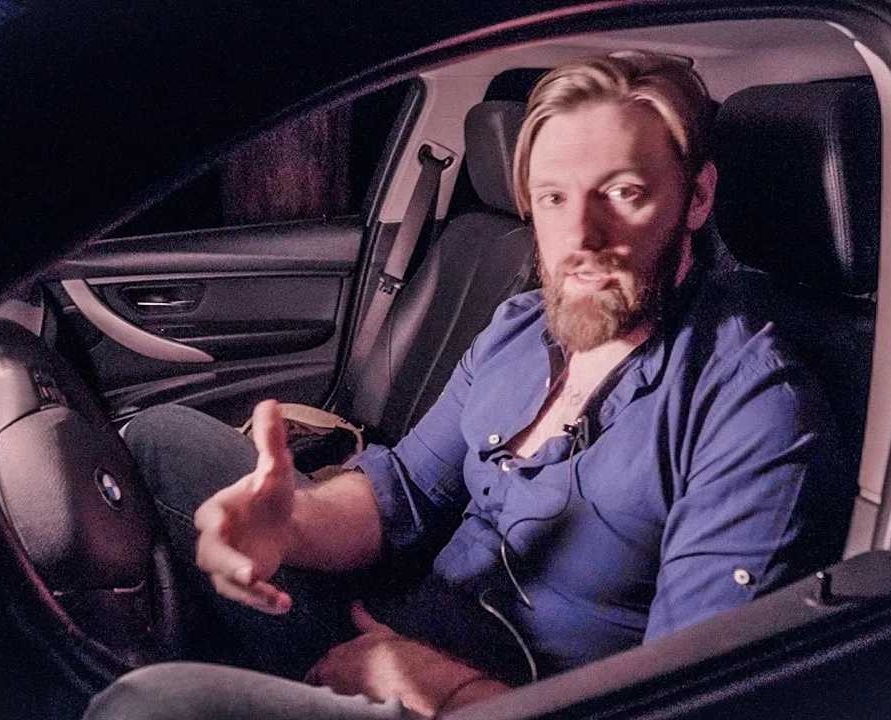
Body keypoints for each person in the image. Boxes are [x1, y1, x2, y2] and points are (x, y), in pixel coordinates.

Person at [83, 51, 844, 720]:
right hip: (393, 633)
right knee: (162, 438)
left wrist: (430, 684)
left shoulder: (753, 409)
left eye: (623, 192)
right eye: (554, 197)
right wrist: (293, 525)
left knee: (148, 706)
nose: (581, 237)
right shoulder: (520, 328)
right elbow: (404, 493)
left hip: (509, 700)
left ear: (697, 198)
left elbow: (682, 702)